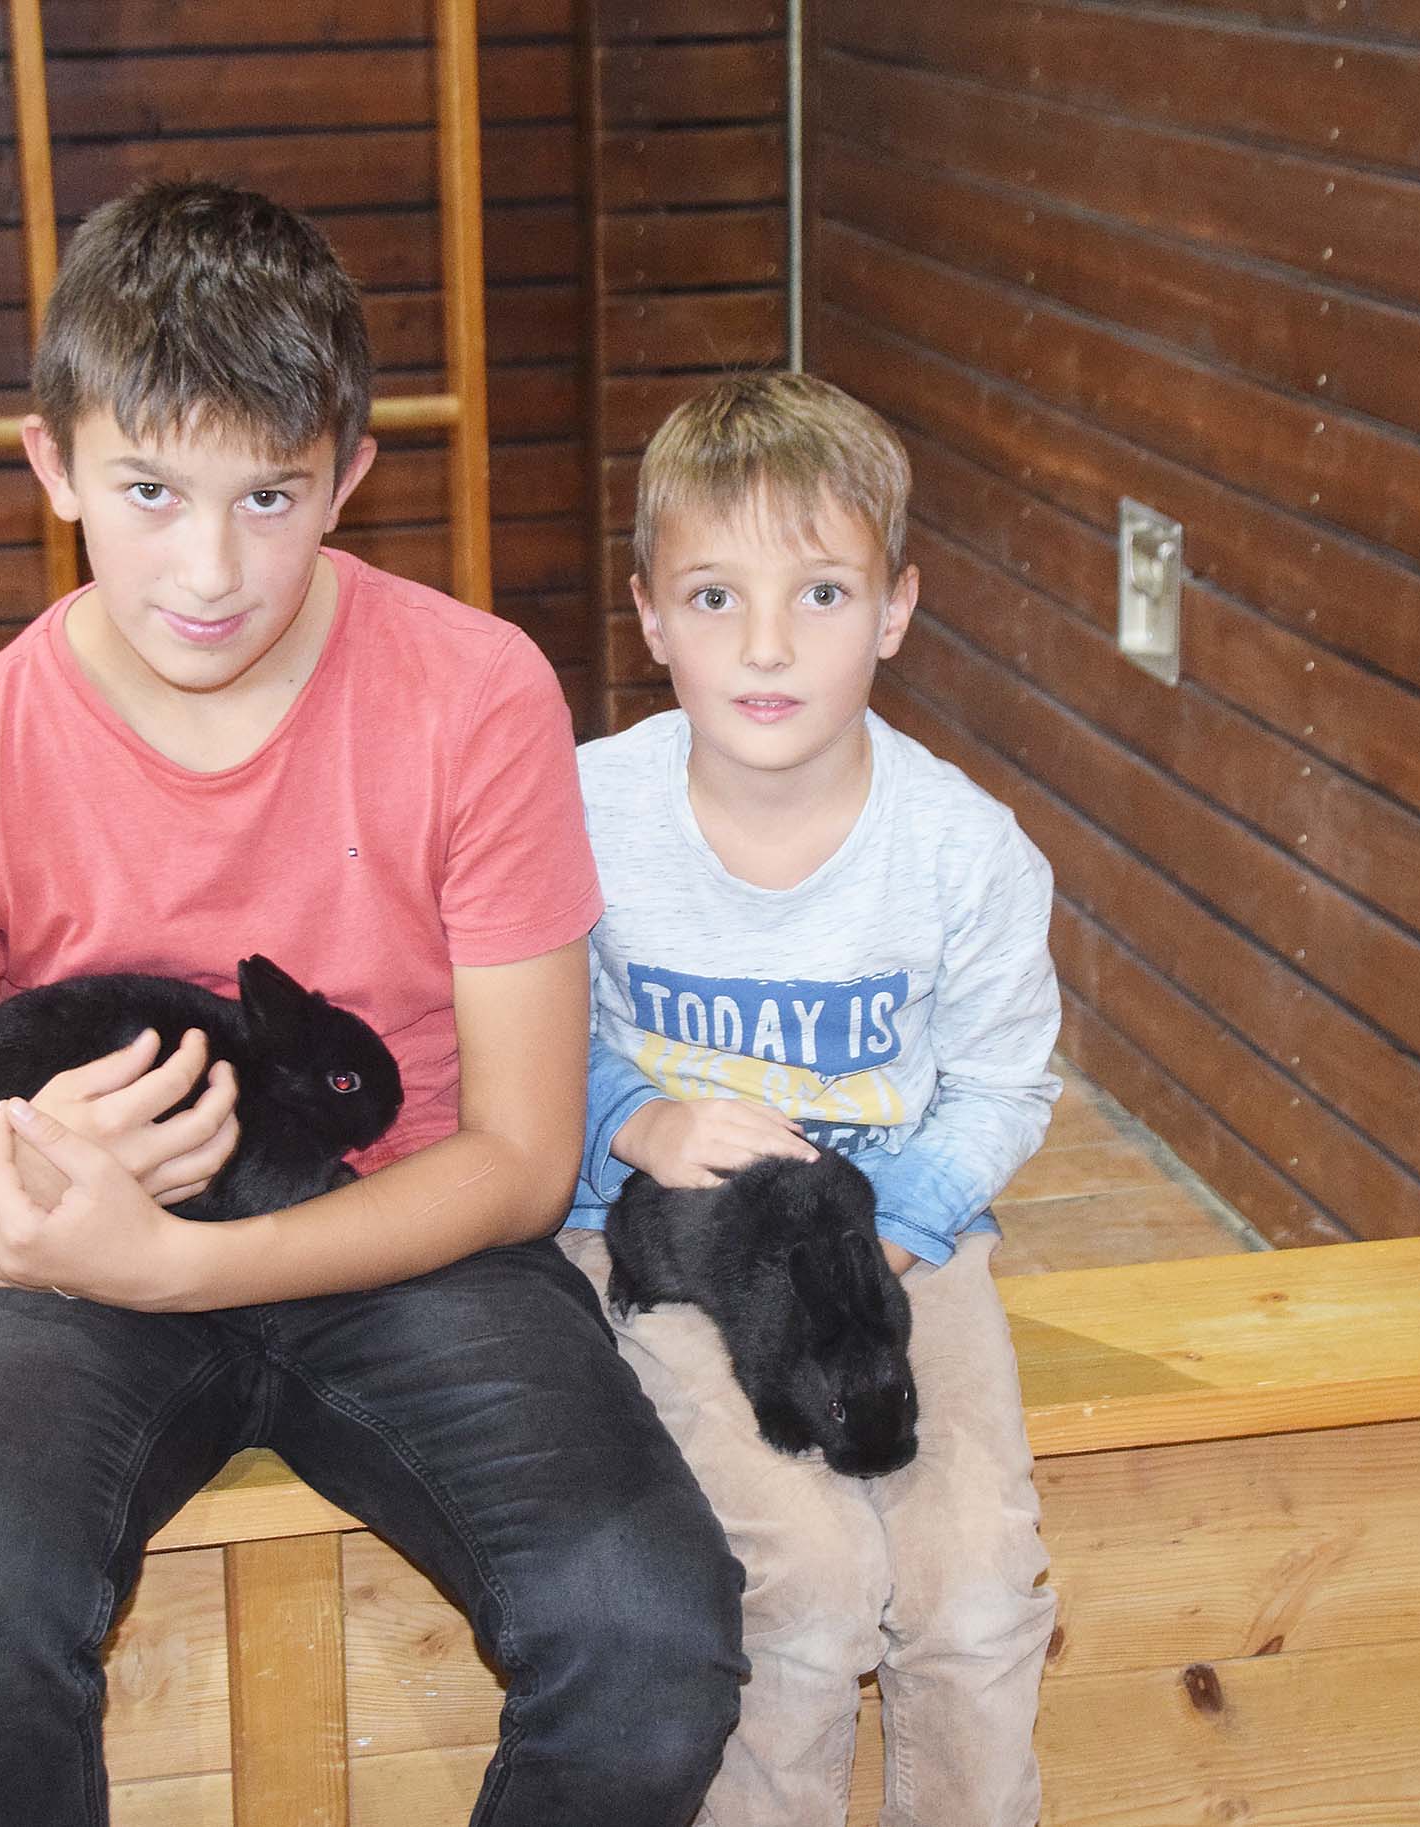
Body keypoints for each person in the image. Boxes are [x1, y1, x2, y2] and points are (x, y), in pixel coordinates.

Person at [0, 180, 747, 1826]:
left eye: (269, 495)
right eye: (150, 491)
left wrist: (187, 1263)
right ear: (53, 464)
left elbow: (524, 1161)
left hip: (411, 1239)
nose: (209, 567)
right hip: (71, 1274)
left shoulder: (477, 692)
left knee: (650, 1635)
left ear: (348, 475)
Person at [559, 372, 1062, 1827]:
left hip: (903, 1246)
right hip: (666, 1253)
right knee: (805, 1584)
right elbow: (506, 1033)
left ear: (896, 609)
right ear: (650, 615)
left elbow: (1003, 1081)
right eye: (715, 597)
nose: (767, 645)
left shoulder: (965, 850)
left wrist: (893, 1227)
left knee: (977, 1595)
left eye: (823, 594)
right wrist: (637, 1118)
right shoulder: (580, 813)